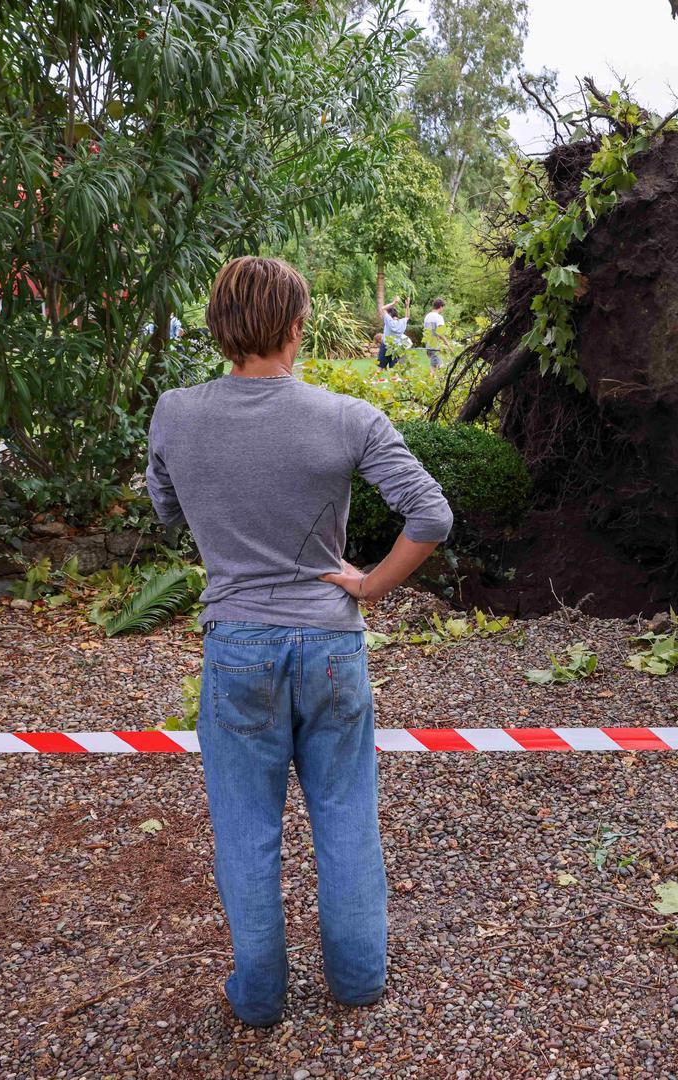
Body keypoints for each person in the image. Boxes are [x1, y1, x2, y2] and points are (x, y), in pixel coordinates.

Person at [146, 256, 451, 1027]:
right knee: (345, 815)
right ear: (295, 326)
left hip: (236, 643)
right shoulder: (348, 417)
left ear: (219, 328)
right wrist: (372, 586)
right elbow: (431, 516)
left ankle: (258, 998)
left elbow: (166, 511)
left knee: (246, 831)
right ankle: (356, 981)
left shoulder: (176, 413)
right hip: (329, 644)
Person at [376, 297, 409, 370]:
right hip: (395, 348)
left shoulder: (389, 321)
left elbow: (382, 308)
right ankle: (396, 380)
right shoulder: (402, 323)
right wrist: (407, 306)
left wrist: (394, 303)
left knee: (380, 368)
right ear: (397, 315)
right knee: (395, 370)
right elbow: (407, 317)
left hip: (386, 347)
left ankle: (374, 380)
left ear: (390, 315)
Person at [422, 298, 447, 369]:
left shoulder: (427, 316)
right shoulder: (439, 317)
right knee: (438, 367)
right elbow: (440, 333)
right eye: (443, 307)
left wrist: (427, 347)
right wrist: (447, 344)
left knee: (434, 366)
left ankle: (432, 379)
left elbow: (425, 332)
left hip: (429, 346)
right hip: (435, 347)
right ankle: (431, 379)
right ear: (441, 307)